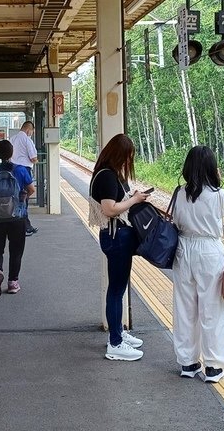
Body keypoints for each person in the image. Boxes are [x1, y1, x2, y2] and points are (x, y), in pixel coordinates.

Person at [171, 145, 224, 383]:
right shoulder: (218, 194)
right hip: (210, 251)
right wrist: (219, 182)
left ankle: (187, 363)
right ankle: (213, 366)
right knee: (213, 310)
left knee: (185, 308)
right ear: (212, 167)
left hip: (184, 249)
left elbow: (176, 220)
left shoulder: (180, 193)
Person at [88, 133, 150, 361]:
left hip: (119, 237)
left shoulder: (110, 173)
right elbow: (110, 209)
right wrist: (134, 200)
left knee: (118, 289)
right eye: (127, 156)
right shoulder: (106, 176)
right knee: (115, 290)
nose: (128, 161)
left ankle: (119, 333)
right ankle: (115, 343)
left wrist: (132, 196)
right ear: (119, 155)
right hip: (116, 238)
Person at [0, 139, 35, 296]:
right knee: (16, 250)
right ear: (12, 153)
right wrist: (23, 197)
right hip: (17, 218)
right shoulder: (20, 170)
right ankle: (13, 282)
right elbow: (31, 189)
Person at [10, 121, 39, 235]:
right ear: (29, 130)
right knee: (24, 196)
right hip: (24, 171)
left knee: (14, 196)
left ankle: (20, 222)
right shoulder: (27, 140)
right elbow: (33, 158)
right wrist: (36, 160)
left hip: (12, 170)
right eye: (31, 131)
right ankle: (24, 225)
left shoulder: (12, 139)